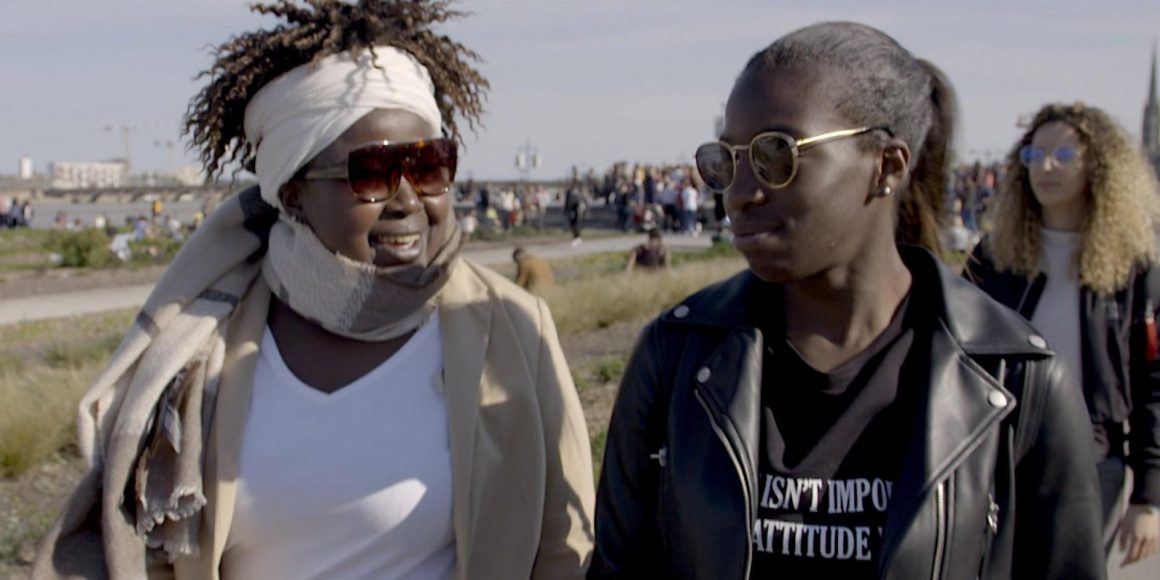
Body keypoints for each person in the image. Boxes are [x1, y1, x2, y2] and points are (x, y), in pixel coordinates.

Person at [35, 2, 594, 579]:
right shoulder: (204, 347)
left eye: (429, 165)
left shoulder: (512, 327)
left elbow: (563, 545)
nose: (407, 199)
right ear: (295, 193)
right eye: (372, 173)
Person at [590, 22, 1103, 579]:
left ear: (886, 166)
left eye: (776, 155)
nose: (740, 191)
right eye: (726, 159)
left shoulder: (1013, 379)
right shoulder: (677, 356)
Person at [965, 102, 1160, 567]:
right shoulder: (994, 260)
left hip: (1096, 463)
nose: (1045, 167)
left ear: (1099, 165)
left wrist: (1148, 497)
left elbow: (1152, 381)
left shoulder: (1133, 268)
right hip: (1000, 454)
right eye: (1034, 156)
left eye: (1064, 156)